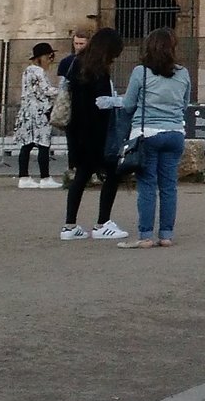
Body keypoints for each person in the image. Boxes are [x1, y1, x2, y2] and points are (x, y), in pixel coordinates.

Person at [100, 26, 192, 249]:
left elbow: (129, 104)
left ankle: (145, 235)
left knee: (147, 185)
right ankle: (167, 235)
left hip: (147, 134)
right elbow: (185, 103)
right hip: (175, 133)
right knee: (169, 186)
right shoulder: (183, 73)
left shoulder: (140, 72)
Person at [59, 30, 126, 241]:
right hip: (96, 132)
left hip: (77, 130)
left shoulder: (76, 64)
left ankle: (69, 226)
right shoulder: (99, 71)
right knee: (113, 174)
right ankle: (102, 223)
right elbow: (101, 104)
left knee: (81, 176)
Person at [14, 42, 57, 188]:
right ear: (43, 57)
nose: (51, 60)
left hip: (26, 111)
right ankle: (45, 177)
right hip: (39, 111)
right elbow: (45, 90)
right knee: (44, 144)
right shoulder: (39, 72)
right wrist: (62, 91)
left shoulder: (27, 71)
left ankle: (23, 176)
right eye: (50, 56)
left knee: (27, 144)